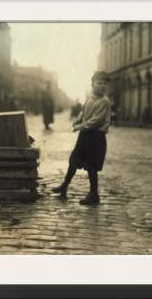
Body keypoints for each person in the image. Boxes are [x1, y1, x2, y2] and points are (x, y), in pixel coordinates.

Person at [52, 71, 111, 205]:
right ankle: (64, 186)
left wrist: (80, 126)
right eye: (99, 83)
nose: (102, 86)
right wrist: (78, 120)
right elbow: (83, 112)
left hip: (96, 137)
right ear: (92, 84)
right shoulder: (90, 98)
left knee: (92, 166)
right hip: (85, 136)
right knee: (74, 160)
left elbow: (95, 121)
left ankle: (94, 194)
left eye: (105, 84)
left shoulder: (104, 102)